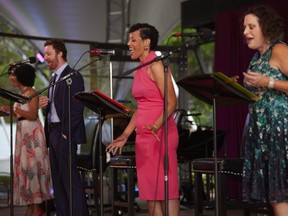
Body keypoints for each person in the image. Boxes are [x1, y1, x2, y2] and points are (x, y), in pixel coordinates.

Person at [106, 23, 179, 216]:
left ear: (146, 43)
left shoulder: (156, 64)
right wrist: (125, 134)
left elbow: (172, 102)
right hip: (144, 138)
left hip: (161, 134)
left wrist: (156, 125)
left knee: (166, 191)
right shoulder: (141, 67)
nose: (128, 43)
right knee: (151, 195)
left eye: (133, 39)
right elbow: (142, 108)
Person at [241, 5, 288, 216]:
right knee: (272, 197)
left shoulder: (279, 50)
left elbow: (269, 84)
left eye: (251, 26)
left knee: (280, 195)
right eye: (244, 27)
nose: (245, 32)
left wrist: (267, 82)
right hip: (262, 135)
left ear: (266, 28)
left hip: (281, 133)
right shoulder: (257, 57)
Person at [39, 39, 88, 216]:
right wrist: (46, 104)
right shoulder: (53, 78)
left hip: (64, 134)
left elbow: (77, 108)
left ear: (60, 53)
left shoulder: (73, 76)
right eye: (45, 54)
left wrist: (67, 133)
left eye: (48, 53)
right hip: (52, 132)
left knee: (70, 182)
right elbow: (59, 106)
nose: (46, 58)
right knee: (58, 183)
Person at [0, 64, 53, 216]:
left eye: (13, 75)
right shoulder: (20, 93)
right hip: (22, 133)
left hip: (31, 134)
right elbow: (20, 113)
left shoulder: (32, 93)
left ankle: (36, 208)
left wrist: (15, 109)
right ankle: (31, 208)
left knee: (32, 169)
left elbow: (32, 115)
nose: (10, 78)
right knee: (25, 169)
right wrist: (7, 109)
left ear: (22, 76)